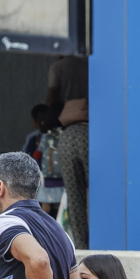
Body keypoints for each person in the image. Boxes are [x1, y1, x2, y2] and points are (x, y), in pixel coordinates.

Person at [58, 99, 91, 250]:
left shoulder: (65, 132)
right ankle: (97, 237)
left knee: (74, 195)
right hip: (87, 136)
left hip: (65, 140)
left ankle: (81, 244)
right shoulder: (90, 130)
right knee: (95, 191)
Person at [24, 103, 65, 218]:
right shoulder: (65, 135)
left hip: (46, 178)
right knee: (62, 207)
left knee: (45, 207)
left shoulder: (44, 137)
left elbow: (36, 155)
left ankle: (43, 226)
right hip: (63, 179)